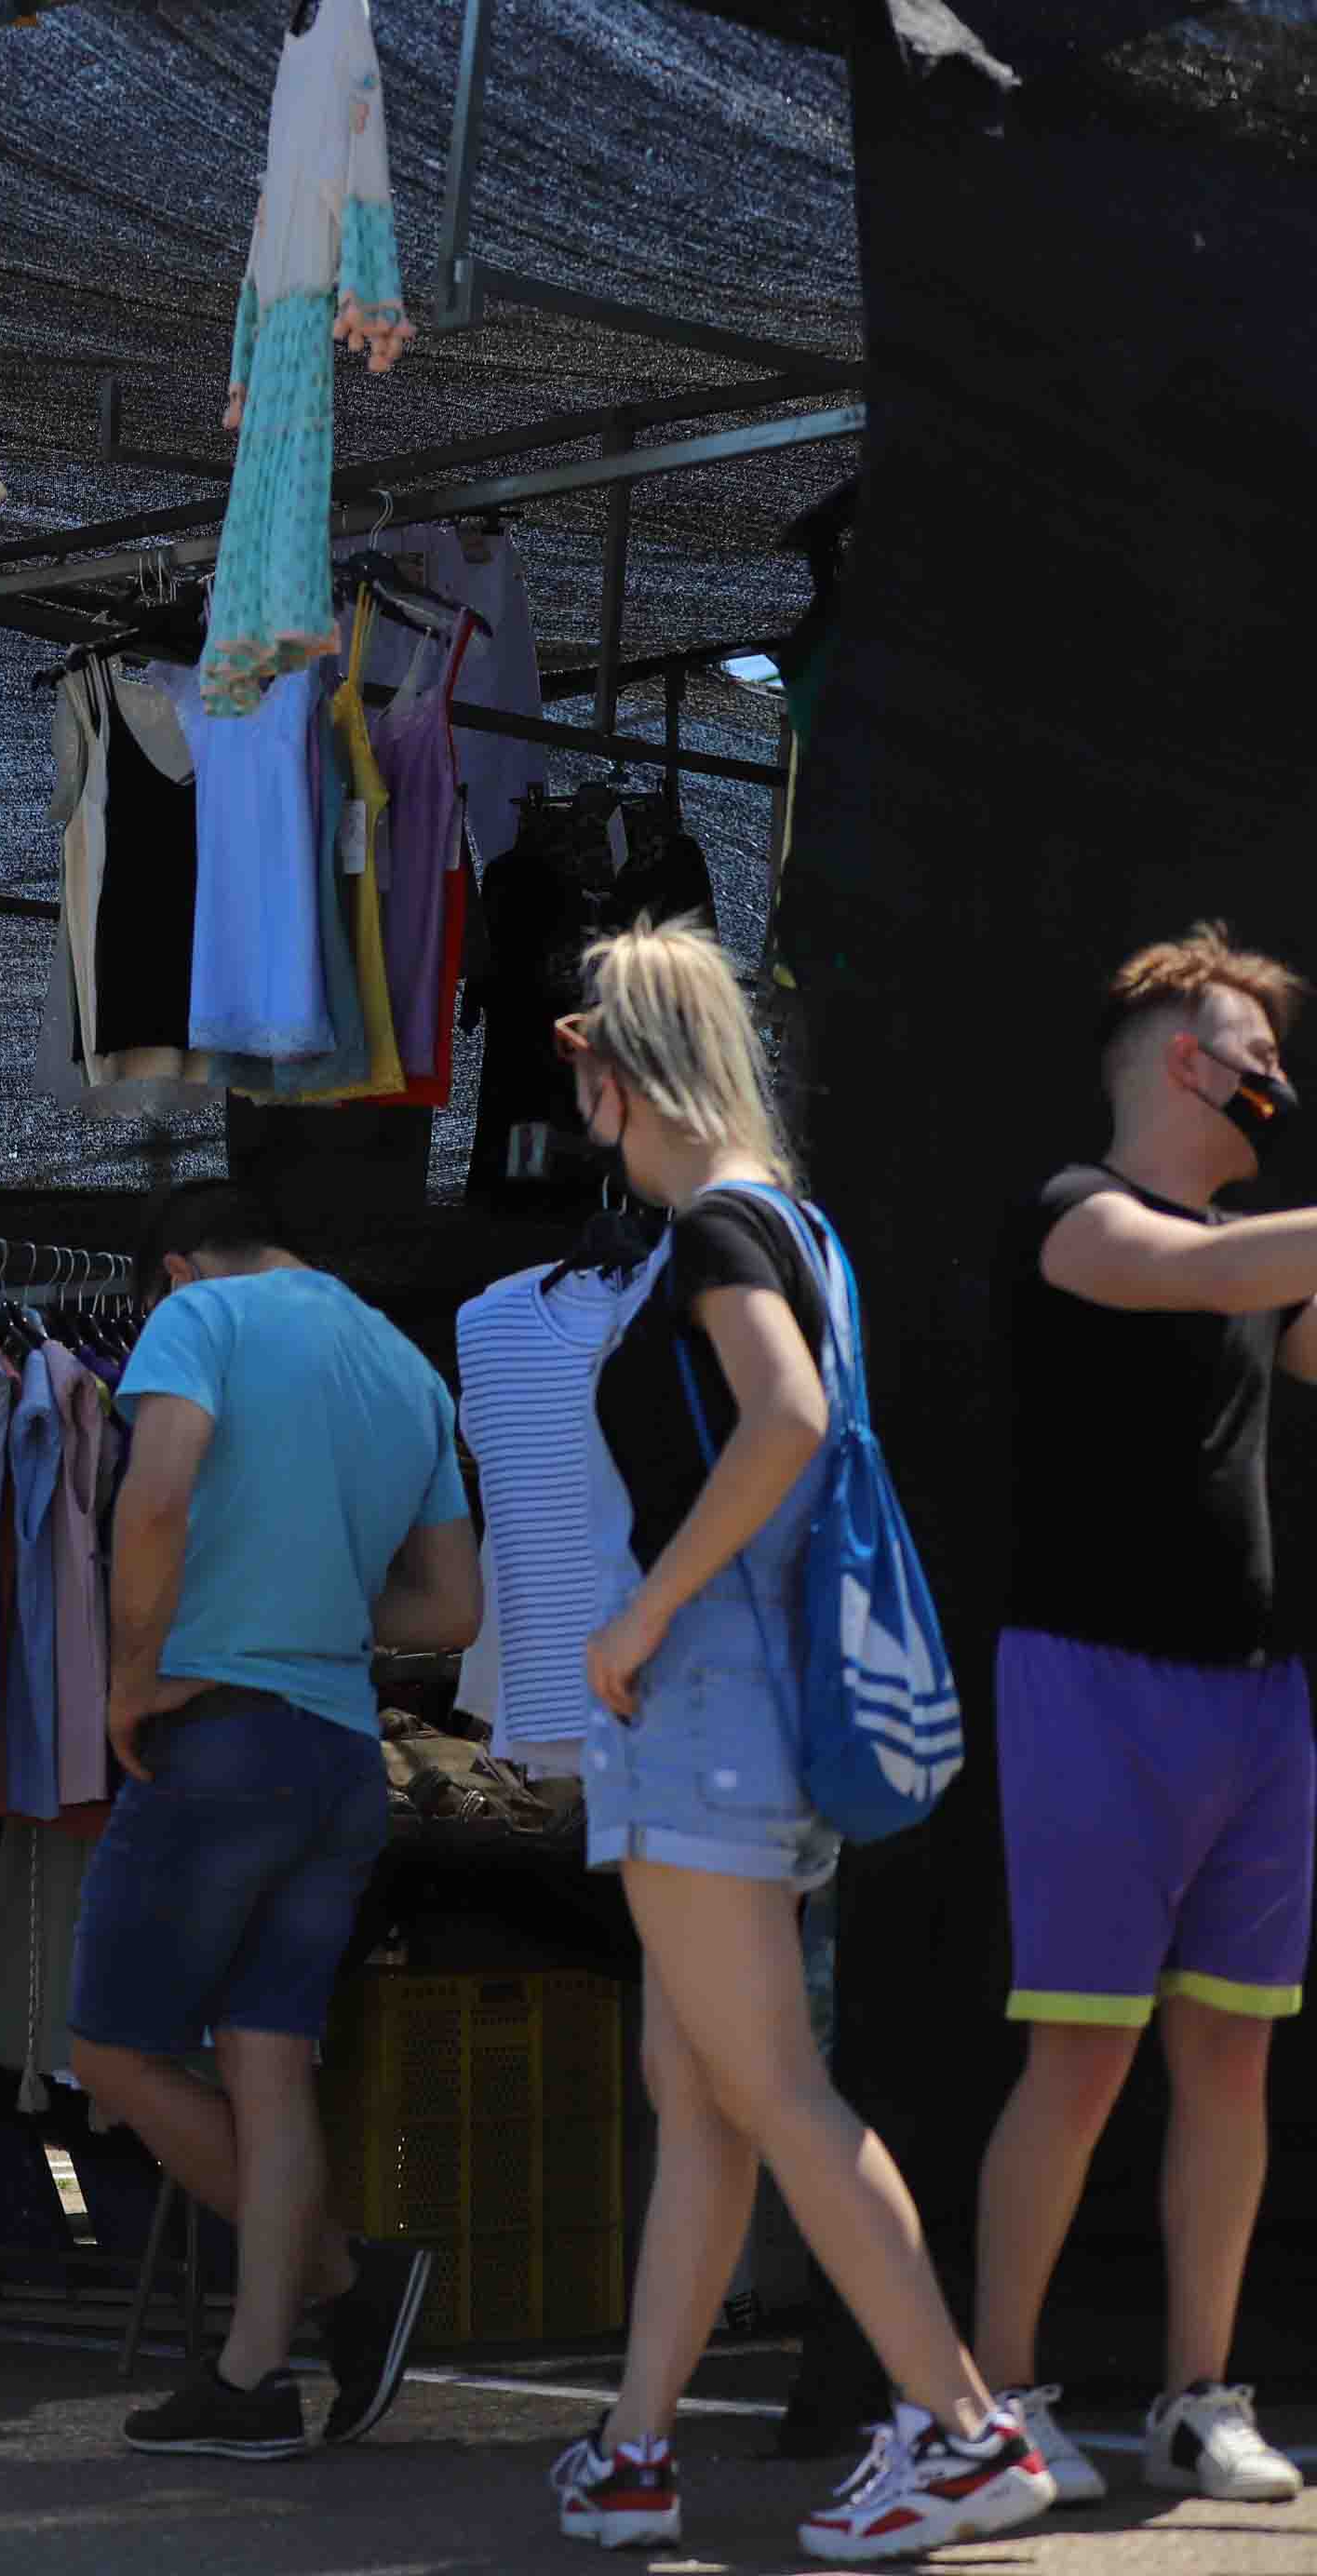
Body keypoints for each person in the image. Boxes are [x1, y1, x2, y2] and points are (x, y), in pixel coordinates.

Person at [540, 920, 1054, 2560]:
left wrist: (637, 1615)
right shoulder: (793, 1227)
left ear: (617, 1067)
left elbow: (787, 1422)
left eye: (585, 1073)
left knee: (764, 2084)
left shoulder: (717, 1235)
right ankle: (634, 2452)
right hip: (754, 1707)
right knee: (703, 2088)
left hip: (706, 1705)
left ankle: (963, 2430)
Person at [970, 925, 1314, 2510]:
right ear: (1187, 1058)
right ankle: (995, 2395)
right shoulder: (1078, 1213)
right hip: (1089, 1684)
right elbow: (1192, 1271)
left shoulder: (1259, 1245)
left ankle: (1197, 2395)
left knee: (1230, 2059)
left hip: (1256, 1699)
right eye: (1253, 1047)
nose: (1274, 1077)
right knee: (1084, 2061)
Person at [61, 1181, 474, 2466]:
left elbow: (160, 1492)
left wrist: (131, 1673)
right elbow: (453, 1612)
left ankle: (345, 2281)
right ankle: (254, 2377)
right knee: (267, 2069)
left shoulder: (204, 1318)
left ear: (177, 1269)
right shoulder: (406, 1366)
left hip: (222, 1740)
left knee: (115, 2055)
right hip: (341, 1752)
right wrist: (327, 1620)